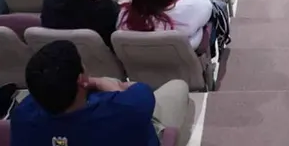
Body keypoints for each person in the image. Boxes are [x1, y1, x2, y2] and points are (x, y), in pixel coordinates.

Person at [11, 40, 190, 145]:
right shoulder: (127, 109)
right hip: (133, 121)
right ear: (81, 79)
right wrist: (102, 83)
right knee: (178, 86)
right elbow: (138, 89)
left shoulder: (21, 117)